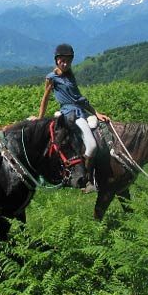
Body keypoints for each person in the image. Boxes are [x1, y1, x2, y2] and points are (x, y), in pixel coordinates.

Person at [36, 44, 110, 193]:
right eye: (62, 60)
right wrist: (40, 118)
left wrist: (96, 113)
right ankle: (86, 181)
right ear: (57, 61)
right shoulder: (51, 78)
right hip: (70, 114)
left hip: (81, 111)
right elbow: (45, 99)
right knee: (92, 145)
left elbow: (79, 98)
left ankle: (98, 173)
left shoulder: (70, 75)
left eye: (68, 61)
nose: (65, 63)